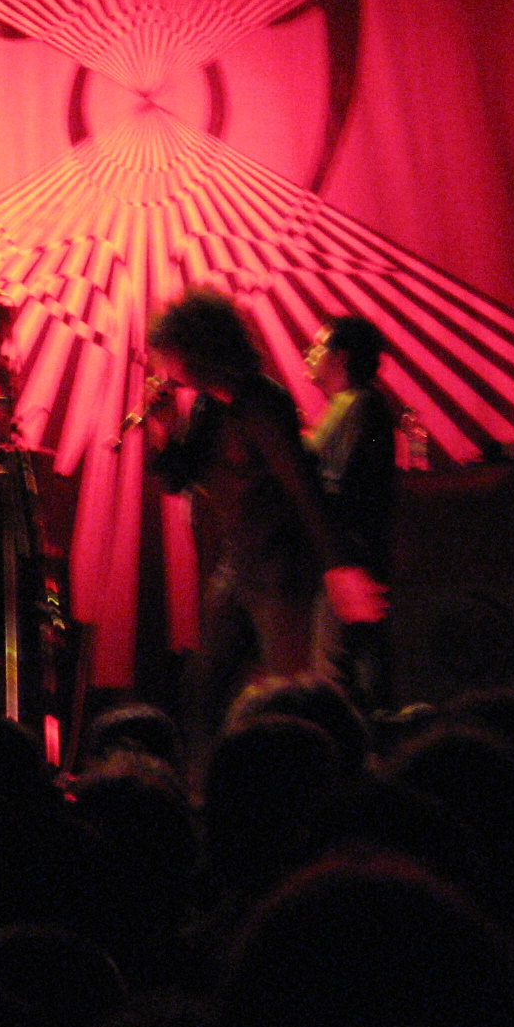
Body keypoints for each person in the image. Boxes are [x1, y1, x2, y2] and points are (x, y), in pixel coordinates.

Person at [142, 290, 383, 769]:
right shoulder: (209, 406)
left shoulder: (262, 403)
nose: (162, 365)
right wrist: (165, 430)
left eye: (169, 353)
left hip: (282, 569)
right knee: (202, 689)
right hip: (239, 566)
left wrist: (339, 568)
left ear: (197, 350)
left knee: (291, 698)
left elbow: (304, 488)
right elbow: (176, 478)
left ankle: (313, 783)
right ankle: (210, 788)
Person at [303, 315, 397, 707]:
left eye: (317, 347)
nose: (308, 354)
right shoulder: (357, 405)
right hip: (353, 554)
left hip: (349, 557)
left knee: (336, 675)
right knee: (356, 667)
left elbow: (335, 484)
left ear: (340, 357)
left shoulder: (356, 405)